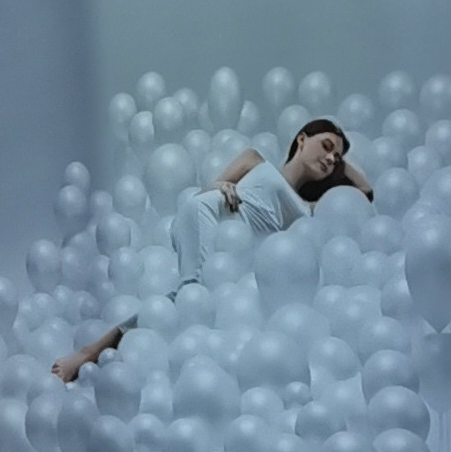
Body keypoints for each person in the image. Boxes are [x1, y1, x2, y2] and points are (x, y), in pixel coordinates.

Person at [54, 118, 373, 383]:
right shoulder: (255, 160)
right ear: (301, 139)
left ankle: (98, 354)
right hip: (213, 216)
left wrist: (341, 163)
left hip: (238, 261)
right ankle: (96, 356)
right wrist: (223, 186)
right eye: (326, 146)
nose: (331, 159)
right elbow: (211, 189)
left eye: (336, 159)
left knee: (183, 303)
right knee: (191, 299)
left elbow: (365, 192)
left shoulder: (310, 208)